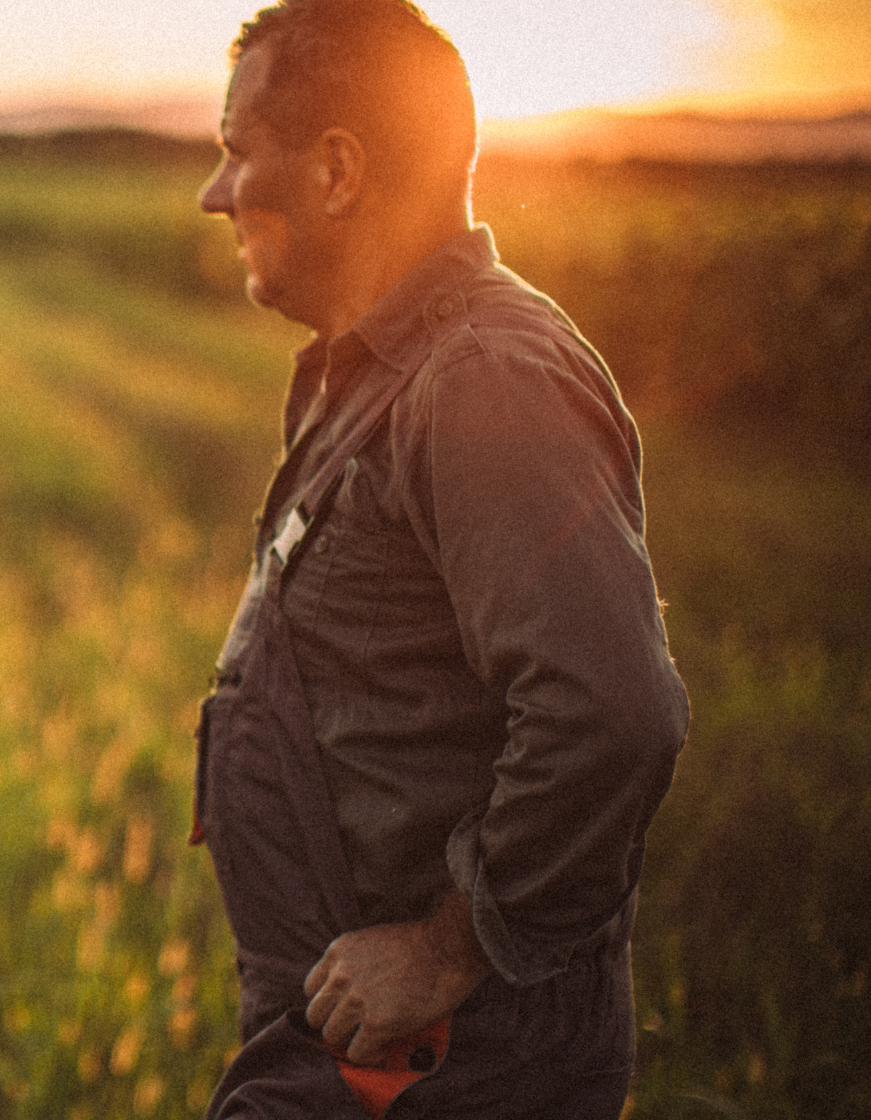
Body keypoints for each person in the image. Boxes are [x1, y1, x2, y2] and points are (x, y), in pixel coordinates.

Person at [187, 1, 690, 1116]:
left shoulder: (482, 377)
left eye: (233, 151)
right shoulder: (365, 369)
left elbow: (609, 709)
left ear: (333, 170)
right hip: (348, 1041)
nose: (214, 193)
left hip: (446, 1062)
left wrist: (446, 945)